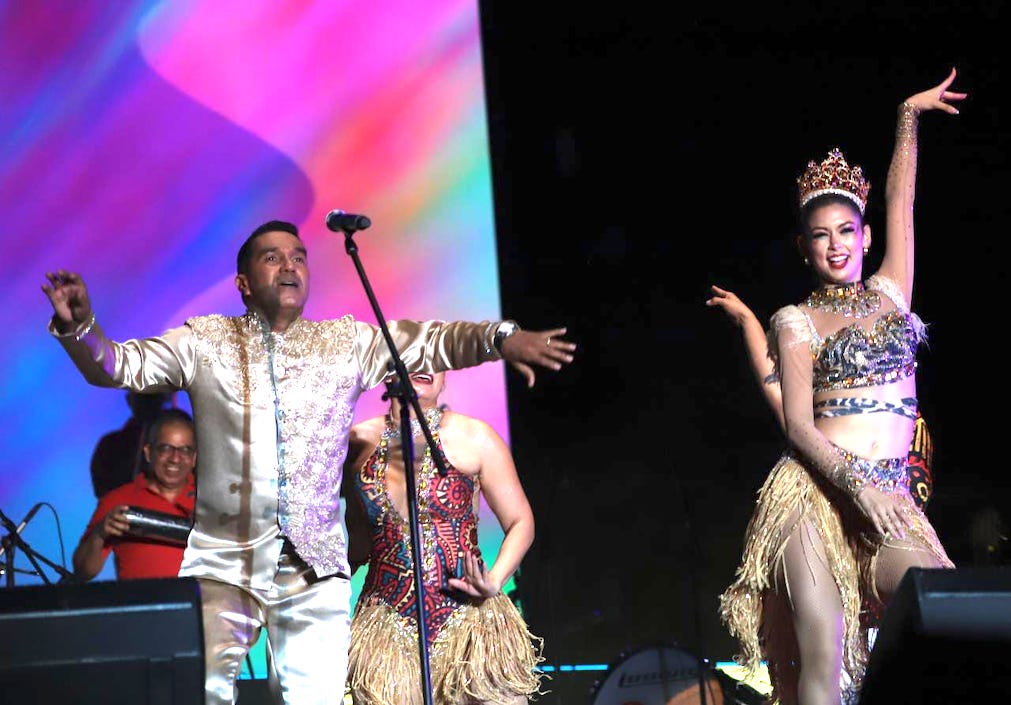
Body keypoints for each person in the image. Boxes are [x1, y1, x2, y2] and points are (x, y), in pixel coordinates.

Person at [41, 219, 575, 705]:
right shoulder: (204, 341)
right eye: (272, 257)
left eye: (298, 256)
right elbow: (118, 365)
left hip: (313, 570)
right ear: (244, 283)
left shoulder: (344, 343)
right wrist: (82, 330)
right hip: (226, 562)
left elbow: (430, 340)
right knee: (202, 693)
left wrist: (501, 338)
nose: (290, 264)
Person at [715, 70, 964, 705]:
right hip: (815, 496)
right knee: (823, 662)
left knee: (943, 615)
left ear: (866, 236)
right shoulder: (794, 320)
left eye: (847, 231)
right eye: (821, 235)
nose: (836, 245)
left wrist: (908, 117)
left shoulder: (890, 293)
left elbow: (902, 199)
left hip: (891, 493)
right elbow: (798, 425)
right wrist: (857, 484)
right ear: (804, 247)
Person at [342, 371, 543, 705]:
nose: (424, 364)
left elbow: (521, 521)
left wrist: (494, 580)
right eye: (414, 353)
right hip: (385, 628)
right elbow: (358, 542)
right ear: (387, 368)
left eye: (433, 358)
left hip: (472, 621)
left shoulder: (475, 436)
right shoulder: (356, 441)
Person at [706, 286, 935, 511]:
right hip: (826, 492)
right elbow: (786, 410)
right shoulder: (808, 387)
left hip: (896, 495)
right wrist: (748, 322)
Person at [73, 407, 197, 581]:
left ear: (194, 458)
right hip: (141, 605)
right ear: (148, 453)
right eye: (166, 448)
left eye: (184, 450)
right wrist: (99, 534)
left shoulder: (212, 501)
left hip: (201, 606)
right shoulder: (119, 499)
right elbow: (83, 571)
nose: (175, 458)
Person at [89, 389, 174, 498]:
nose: (147, 402)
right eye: (142, 396)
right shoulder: (109, 445)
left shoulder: (109, 444)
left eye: (151, 397)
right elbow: (104, 493)